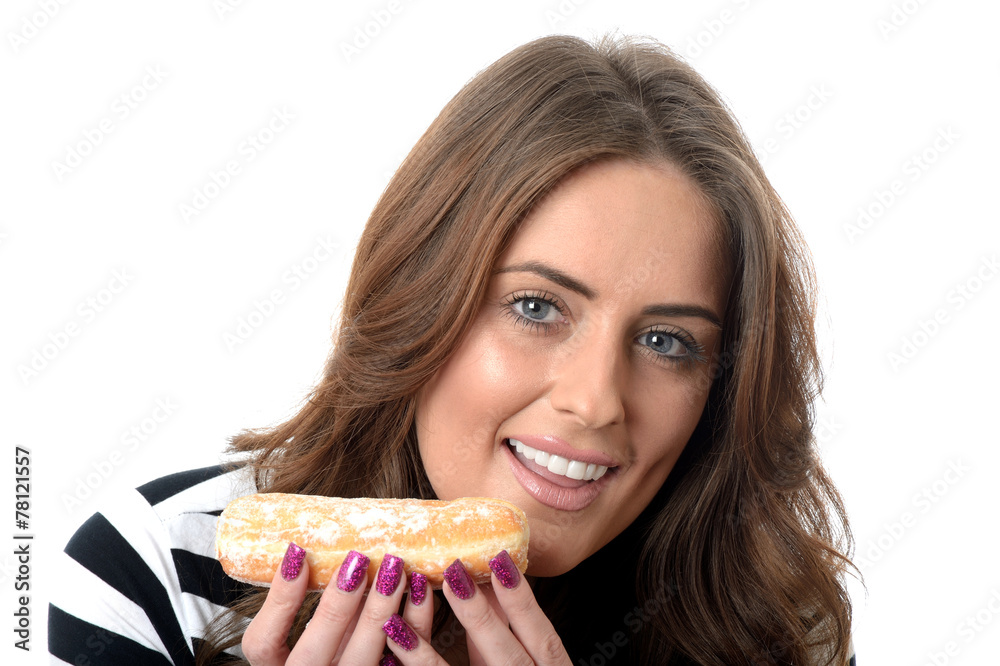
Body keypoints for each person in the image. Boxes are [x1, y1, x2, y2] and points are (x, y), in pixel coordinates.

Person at [49, 34, 857, 665]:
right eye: (537, 307)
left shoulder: (775, 624)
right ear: (419, 301)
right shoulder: (147, 572)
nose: (596, 399)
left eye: (665, 340)